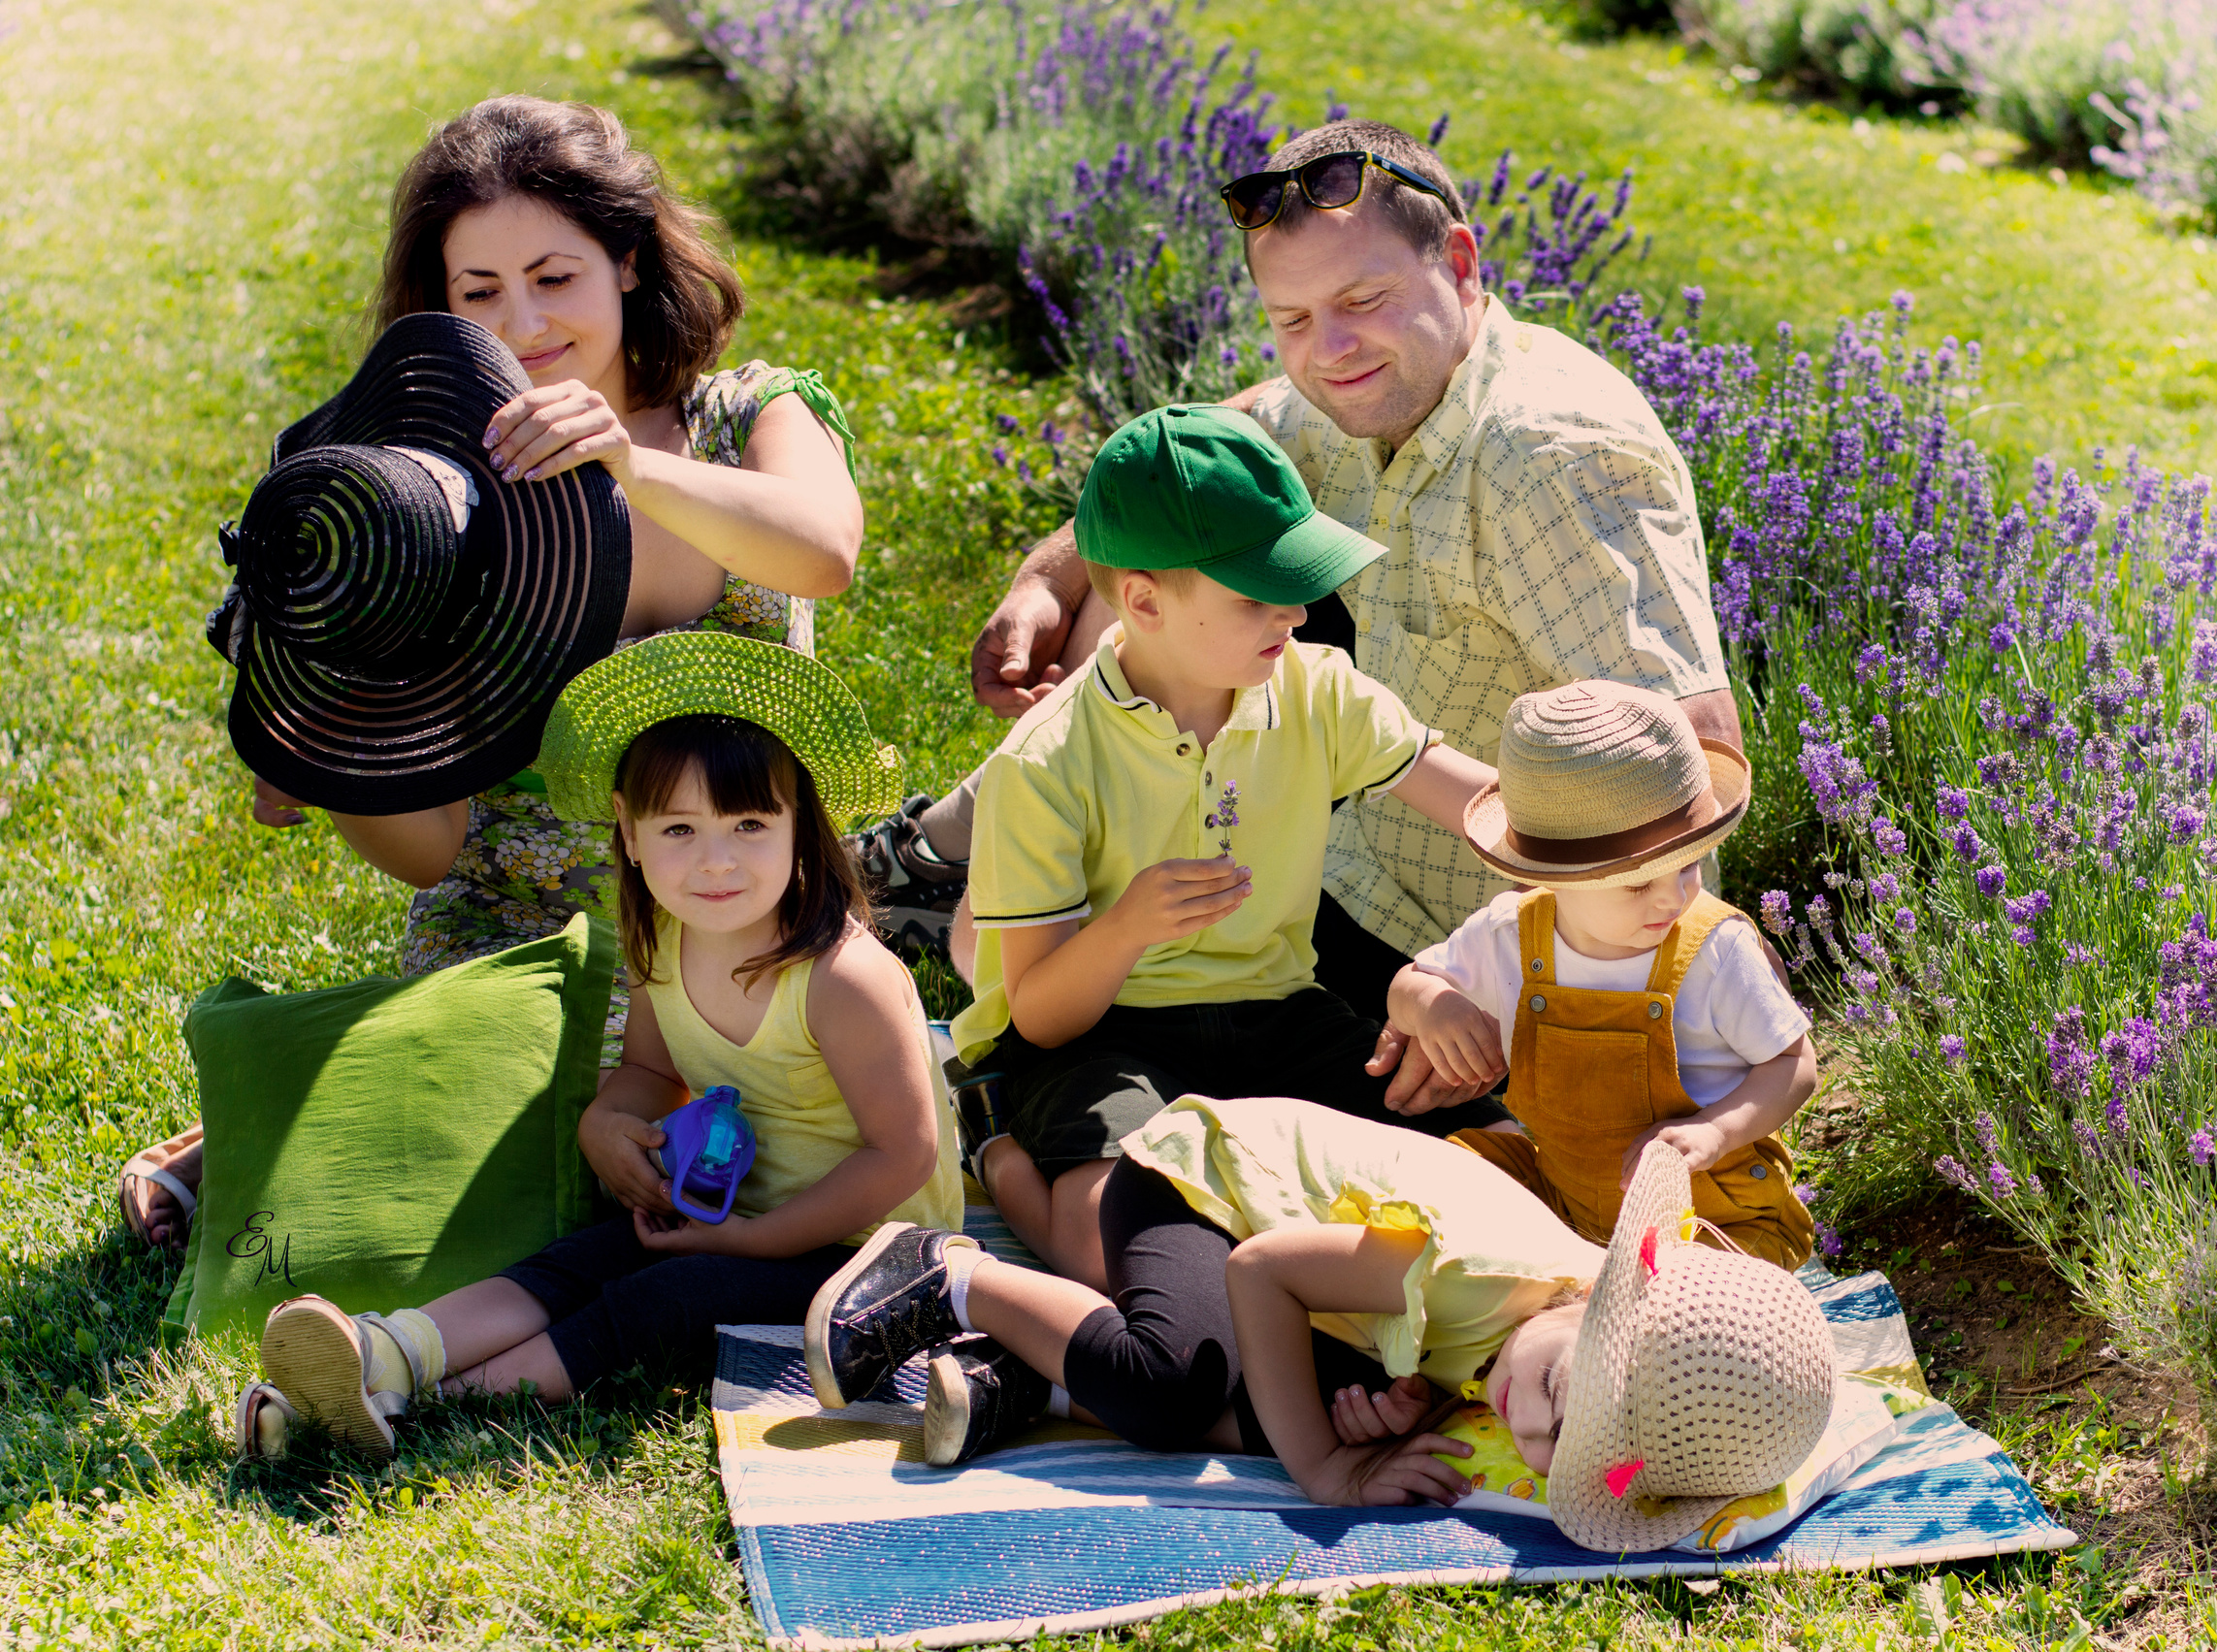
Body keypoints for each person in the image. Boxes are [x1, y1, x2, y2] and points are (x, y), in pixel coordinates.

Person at [122, 94, 864, 1250]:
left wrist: (625, 465)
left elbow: (823, 548)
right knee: (548, 1166)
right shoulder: (428, 509)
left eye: (554, 275)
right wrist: (334, 755)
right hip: (523, 942)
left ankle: (312, 1108)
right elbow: (434, 850)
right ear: (441, 308)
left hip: (741, 909)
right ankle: (322, 1109)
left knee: (755, 1137)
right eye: (479, 292)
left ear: (626, 260)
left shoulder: (742, 414)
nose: (522, 322)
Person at [861, 118, 1735, 1074]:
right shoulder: (1373, 388)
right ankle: (946, 850)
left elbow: (1690, 757)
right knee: (1153, 583)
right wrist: (1051, 572)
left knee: (1025, 985)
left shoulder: (1549, 460)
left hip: (1454, 931)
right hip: (1327, 841)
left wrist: (1623, 1025)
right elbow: (1214, 442)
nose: (1330, 352)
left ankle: (979, 903)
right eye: (1292, 320)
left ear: (1460, 262)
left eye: (1364, 299)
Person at [233, 632, 958, 1459]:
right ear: (629, 824)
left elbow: (901, 1154)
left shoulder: (840, 977)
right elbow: (649, 1072)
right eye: (678, 828)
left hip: (870, 1253)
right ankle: (385, 1350)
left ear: (803, 825)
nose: (715, 862)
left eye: (750, 823)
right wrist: (605, 1124)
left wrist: (748, 1241)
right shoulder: (666, 936)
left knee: (666, 1295)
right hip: (729, 1208)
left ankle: (413, 1404)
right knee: (580, 1259)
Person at [949, 405, 1516, 1292]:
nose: (1295, 611)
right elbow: (1042, 1013)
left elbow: (1478, 800)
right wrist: (1129, 923)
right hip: (1102, 1034)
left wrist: (1607, 834)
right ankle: (999, 1149)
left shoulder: (1316, 688)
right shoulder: (1044, 763)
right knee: (1117, 1257)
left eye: (1295, 582)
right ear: (1141, 600)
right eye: (1256, 594)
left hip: (1274, 1006)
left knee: (1506, 1164)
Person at [799, 1099, 1838, 1558]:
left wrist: (1401, 1395)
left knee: (1327, 1419)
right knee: (1174, 1386)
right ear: (1593, 1305)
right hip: (1198, 1186)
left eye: (1570, 1451)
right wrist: (1323, 1473)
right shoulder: (1478, 1267)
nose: (1536, 1427)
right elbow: (1261, 1268)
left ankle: (1038, 1372)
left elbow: (1434, 1349)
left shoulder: (1530, 1332)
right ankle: (951, 1278)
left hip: (1302, 1272)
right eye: (1571, 1394)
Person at [1389, 681, 1816, 1265]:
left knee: (1693, 1318)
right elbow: (1408, 985)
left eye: (1688, 864)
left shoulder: (1714, 949)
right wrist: (1433, 1005)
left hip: (1716, 1219)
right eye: (1640, 883)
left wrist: (1715, 1131)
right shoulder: (1512, 934)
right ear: (1552, 878)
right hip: (1566, 1198)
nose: (1675, 898)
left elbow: (1794, 1065)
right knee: (1437, 1181)